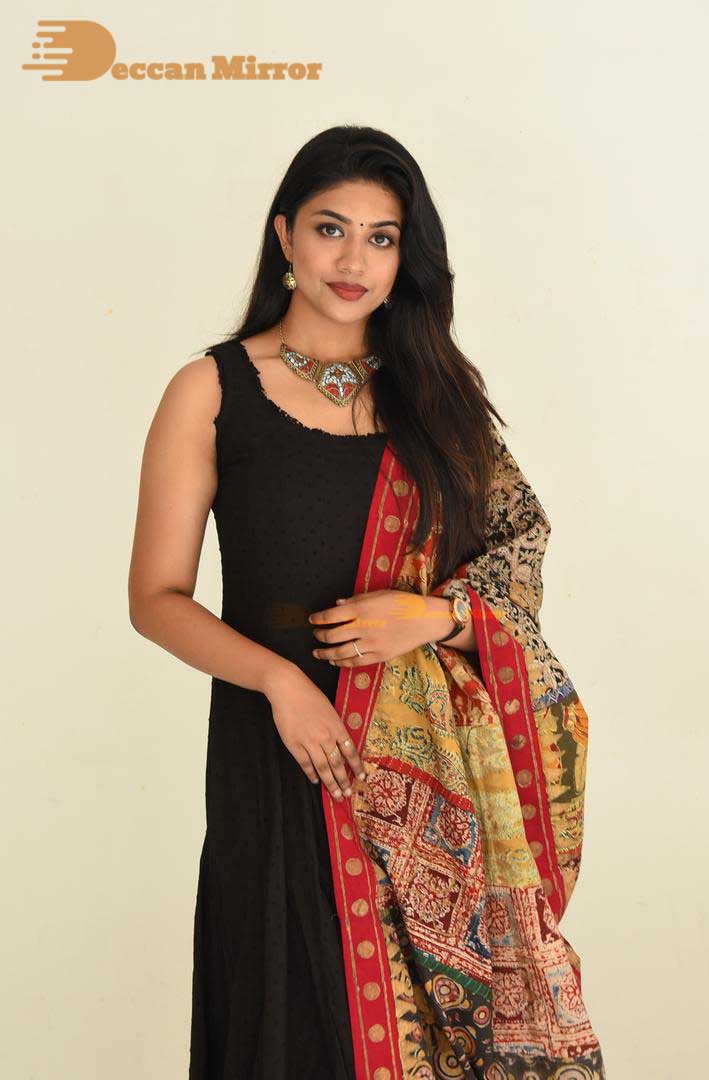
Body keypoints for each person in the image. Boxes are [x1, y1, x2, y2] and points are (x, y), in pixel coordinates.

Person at [128, 125, 606, 1080]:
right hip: (281, 754)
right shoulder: (213, 389)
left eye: (381, 238)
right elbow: (156, 597)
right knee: (291, 1020)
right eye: (330, 229)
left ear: (405, 256)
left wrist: (438, 617)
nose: (354, 261)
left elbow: (520, 549)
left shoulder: (440, 398)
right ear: (284, 236)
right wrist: (279, 684)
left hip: (427, 779)